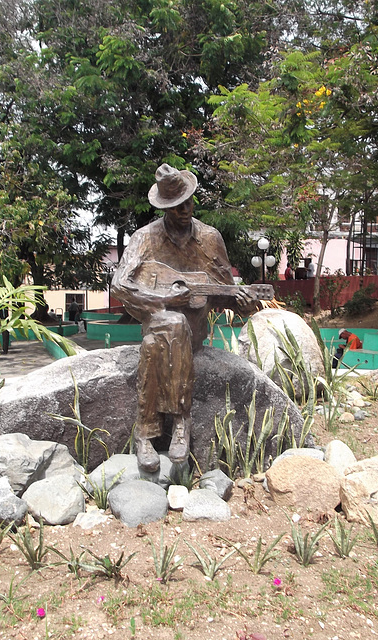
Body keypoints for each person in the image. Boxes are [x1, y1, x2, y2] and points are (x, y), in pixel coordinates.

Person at [112, 163, 259, 472]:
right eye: (176, 206)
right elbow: (119, 285)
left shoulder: (209, 239)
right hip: (157, 322)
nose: (184, 210)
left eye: (188, 202)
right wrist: (163, 299)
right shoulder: (145, 237)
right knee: (166, 327)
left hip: (192, 330)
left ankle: (146, 433)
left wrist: (243, 303)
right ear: (164, 206)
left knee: (164, 336)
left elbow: (224, 293)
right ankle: (181, 421)